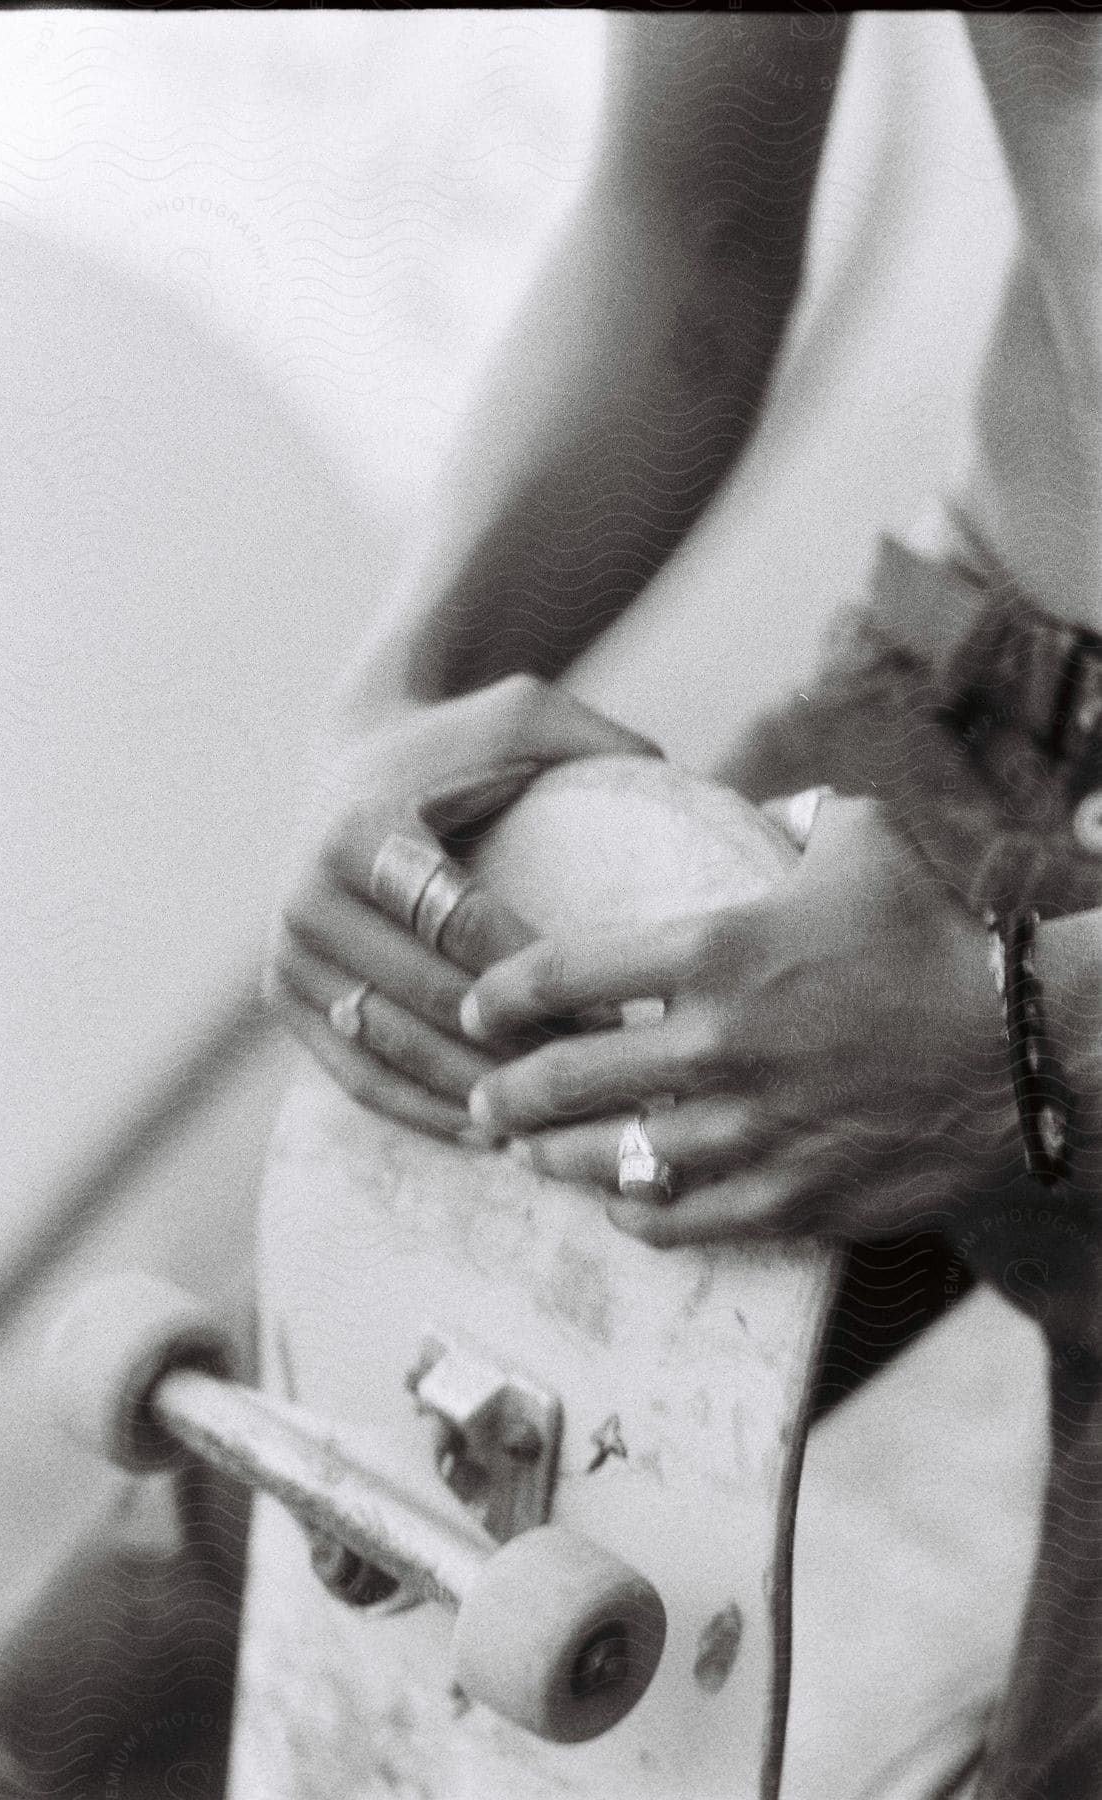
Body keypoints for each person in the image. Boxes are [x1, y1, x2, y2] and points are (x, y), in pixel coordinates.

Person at [269, 18, 1102, 1794]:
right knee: (272, 1542)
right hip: (992, 689)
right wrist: (391, 708)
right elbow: (687, 225)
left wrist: (1040, 1038)